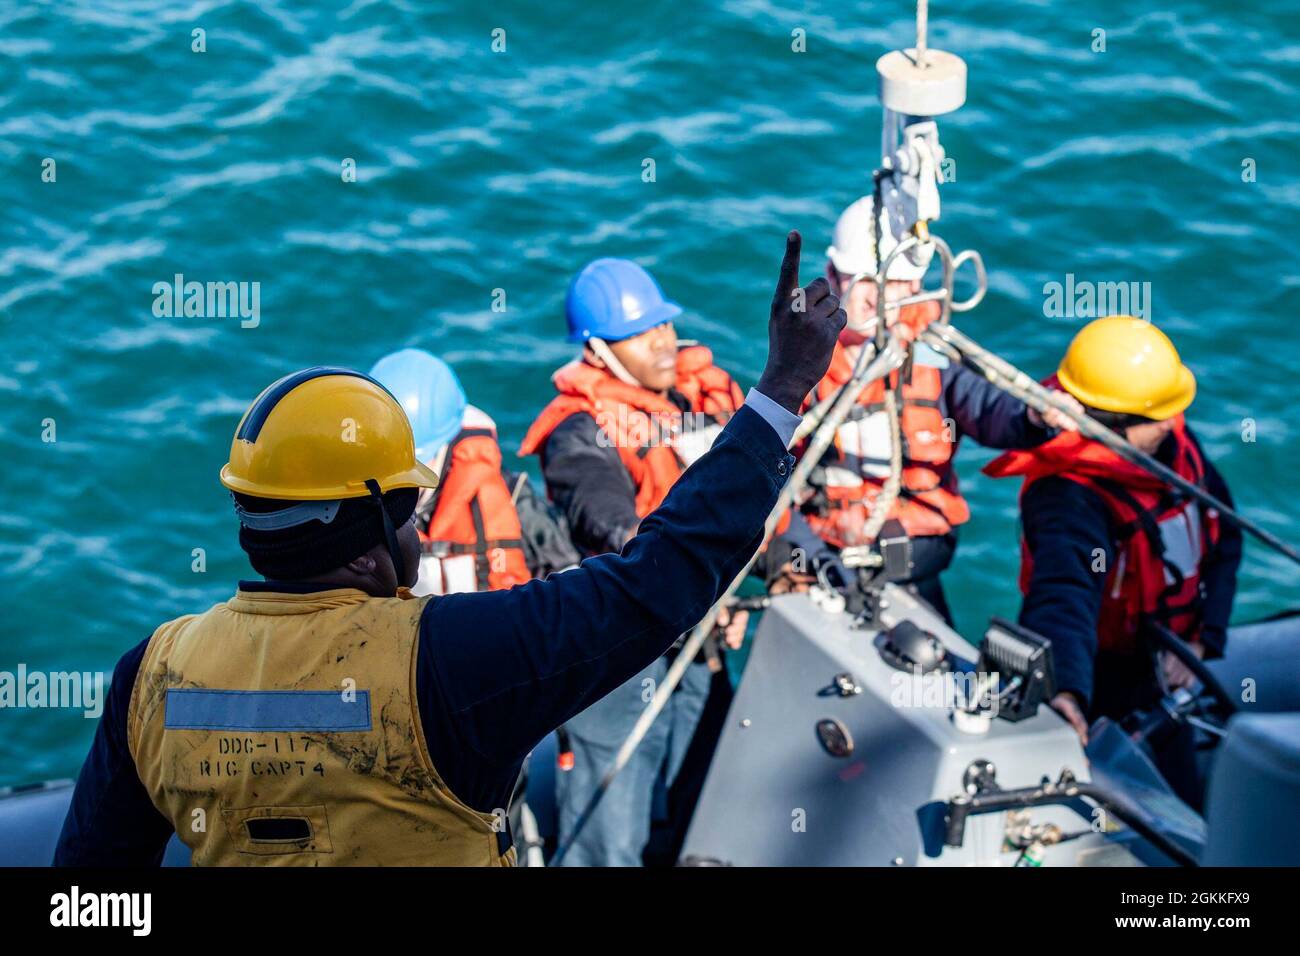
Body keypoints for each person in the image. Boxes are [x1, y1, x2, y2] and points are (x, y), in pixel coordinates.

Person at [52, 231, 845, 867]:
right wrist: (781, 387)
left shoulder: (146, 678)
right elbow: (660, 578)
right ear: (373, 540)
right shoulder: (450, 658)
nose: (420, 530)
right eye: (409, 512)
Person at [518, 257, 752, 865]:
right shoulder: (578, 433)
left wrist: (754, 580)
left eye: (666, 326)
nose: (666, 341)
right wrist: (693, 573)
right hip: (619, 657)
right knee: (610, 826)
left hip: (698, 642)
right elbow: (607, 520)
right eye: (644, 332)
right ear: (598, 349)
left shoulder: (696, 401)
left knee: (698, 790)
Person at [768, 196, 1082, 621]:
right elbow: (770, 464)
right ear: (832, 278)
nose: (877, 297)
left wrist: (1034, 418)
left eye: (892, 284)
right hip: (827, 556)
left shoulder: (931, 355)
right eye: (864, 281)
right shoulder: (804, 363)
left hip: (910, 558)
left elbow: (985, 405)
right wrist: (804, 553)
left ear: (913, 289)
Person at [984, 315, 1241, 803]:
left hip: (1168, 659)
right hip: (1103, 678)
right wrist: (1066, 692)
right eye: (1155, 416)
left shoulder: (1170, 443)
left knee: (1184, 797)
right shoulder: (1068, 497)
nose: (1171, 421)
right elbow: (1065, 590)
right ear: (1106, 421)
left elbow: (1224, 534)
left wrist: (1205, 638)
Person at [369, 348, 531, 595]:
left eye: (417, 462)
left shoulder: (513, 497)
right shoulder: (349, 515)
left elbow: (563, 581)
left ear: (445, 445)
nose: (404, 479)